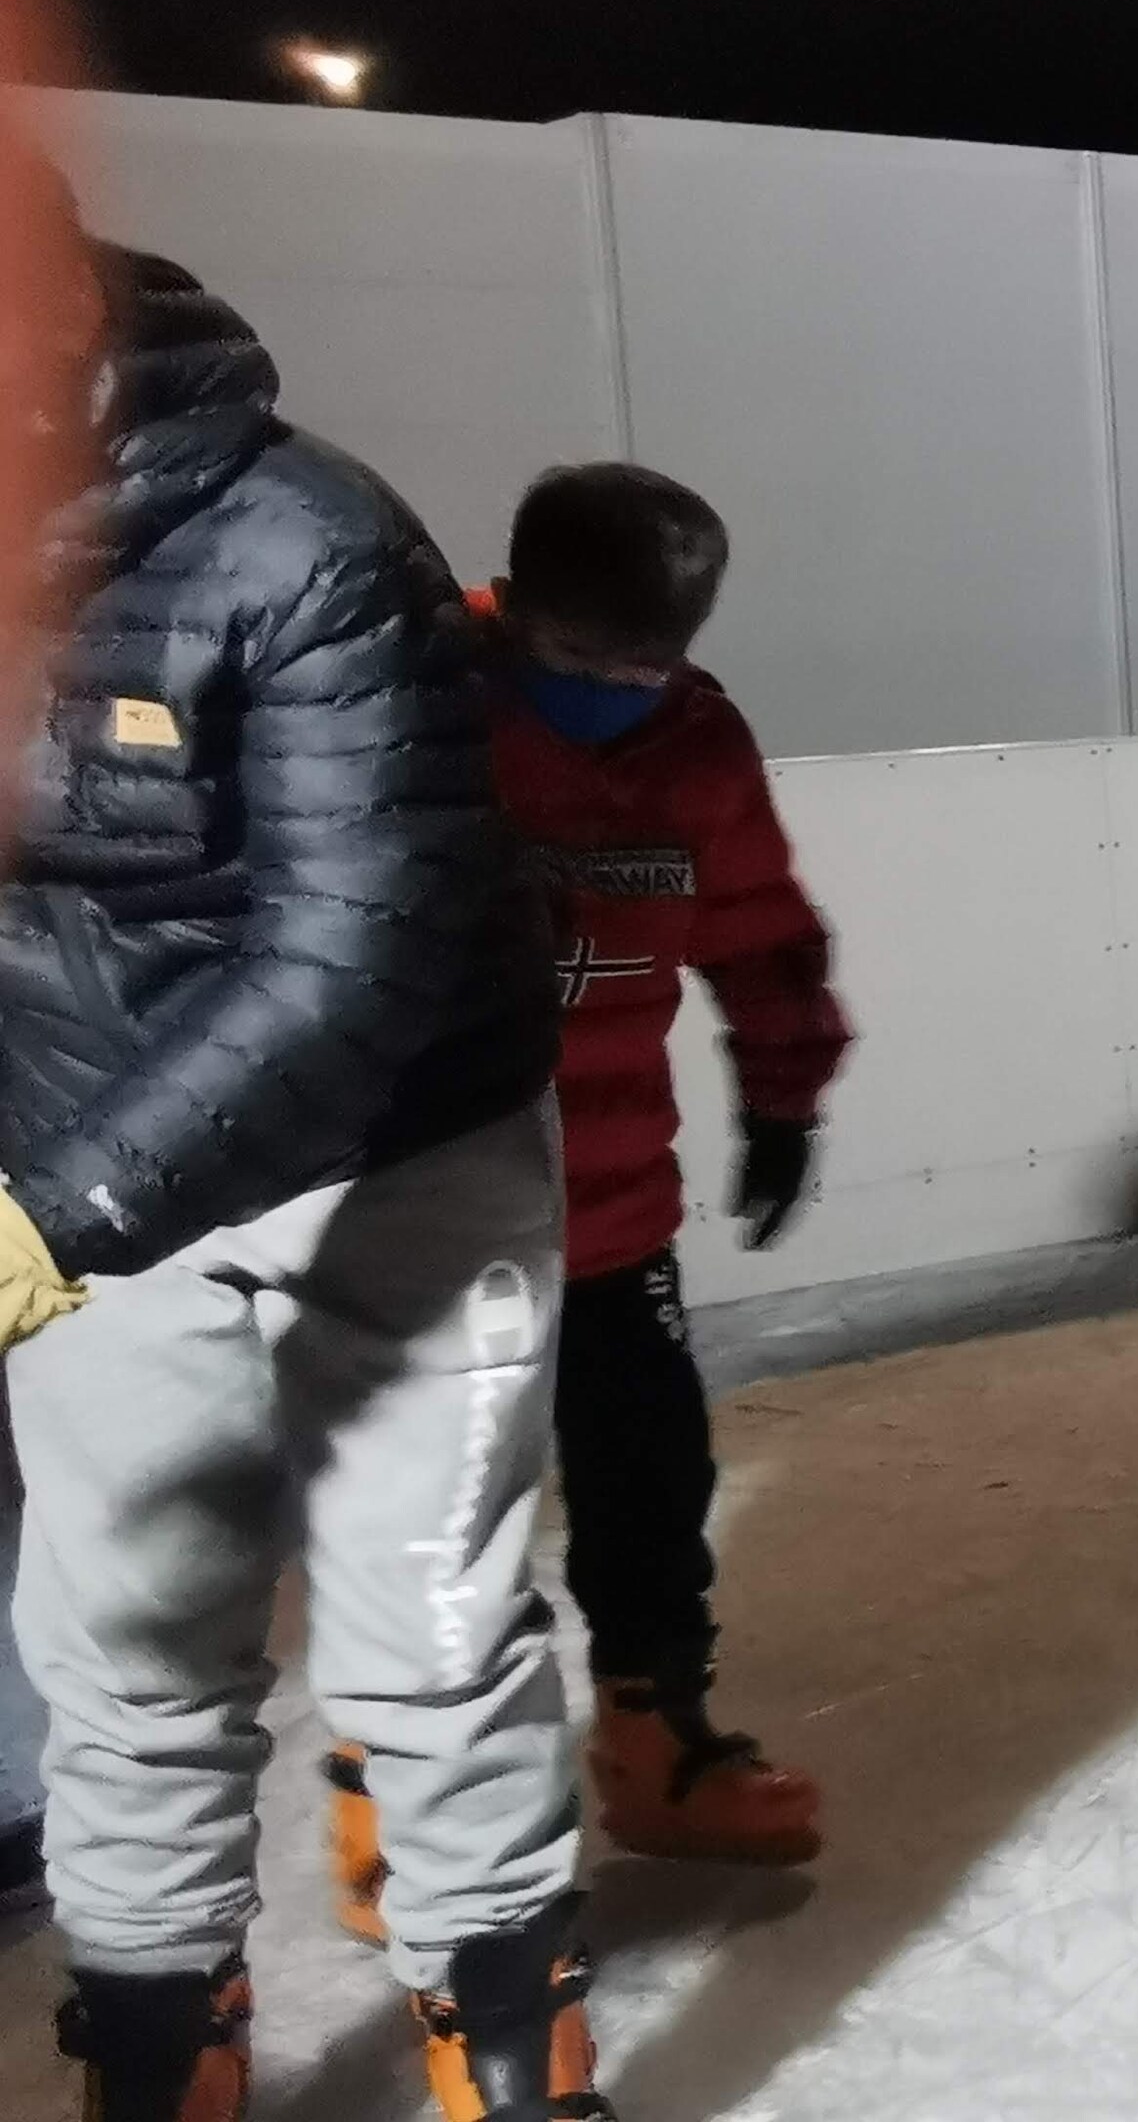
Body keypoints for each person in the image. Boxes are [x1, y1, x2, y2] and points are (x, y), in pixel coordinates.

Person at [8, 240, 609, 2118]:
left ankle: (513, 2045)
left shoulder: (308, 542)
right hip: (84, 1154)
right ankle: (160, 2045)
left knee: (431, 1641)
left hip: (399, 1163)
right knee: (125, 1649)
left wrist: (55, 1219)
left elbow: (352, 956)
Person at [322, 466, 851, 1947]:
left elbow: (759, 930)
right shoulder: (408, 691)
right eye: (581, 665)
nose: (619, 694)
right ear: (518, 609)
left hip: (613, 1205)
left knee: (647, 1480)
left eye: (649, 666)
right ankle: (388, 1786)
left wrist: (785, 1095)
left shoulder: (696, 739)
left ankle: (659, 1745)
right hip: (420, 1205)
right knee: (425, 1512)